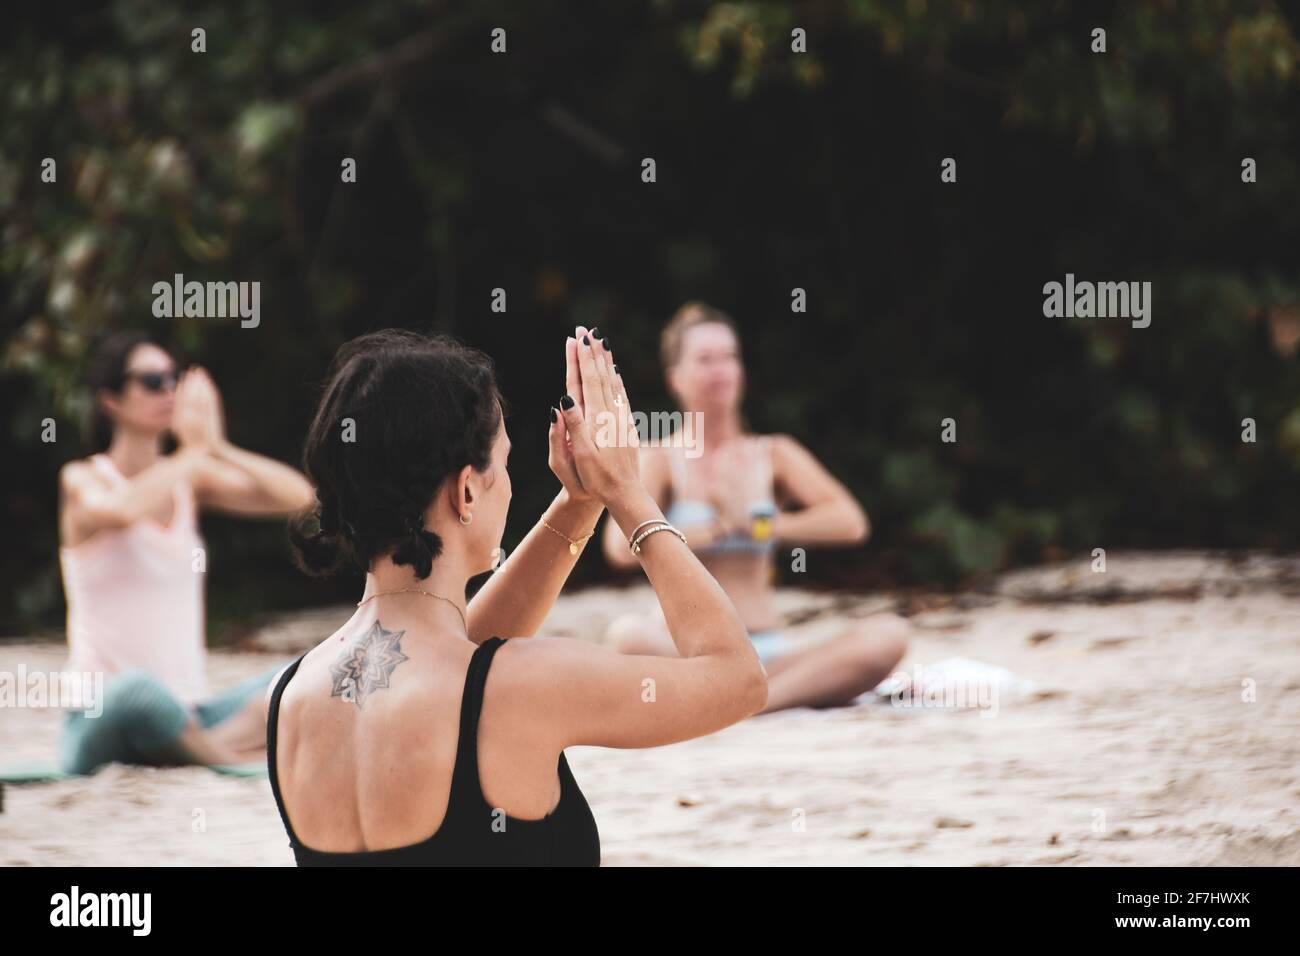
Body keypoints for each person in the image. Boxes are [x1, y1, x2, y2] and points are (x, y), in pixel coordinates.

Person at [265, 326, 765, 866]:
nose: (507, 482)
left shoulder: (288, 697)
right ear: (466, 490)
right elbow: (738, 678)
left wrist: (580, 502)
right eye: (502, 464)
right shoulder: (525, 684)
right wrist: (627, 492)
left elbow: (453, 663)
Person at [602, 302, 909, 712]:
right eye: (705, 359)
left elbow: (850, 523)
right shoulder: (660, 456)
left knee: (888, 634)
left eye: (729, 357)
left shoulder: (773, 453)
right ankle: (748, 693)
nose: (720, 369)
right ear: (675, 377)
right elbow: (619, 548)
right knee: (626, 635)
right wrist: (714, 531)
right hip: (690, 654)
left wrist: (761, 524)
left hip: (768, 653)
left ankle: (758, 700)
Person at [56, 332, 315, 774]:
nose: (169, 391)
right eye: (152, 381)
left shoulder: (189, 479)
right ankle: (227, 760)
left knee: (303, 676)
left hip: (190, 714)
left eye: (174, 379)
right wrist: (193, 453)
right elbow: (120, 510)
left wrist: (218, 448)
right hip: (103, 713)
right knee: (141, 693)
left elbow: (298, 496)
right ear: (111, 400)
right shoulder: (82, 479)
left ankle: (194, 746)